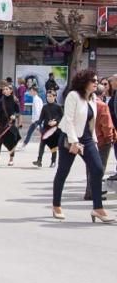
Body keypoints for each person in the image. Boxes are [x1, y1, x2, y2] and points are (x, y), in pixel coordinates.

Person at [52, 70, 112, 223]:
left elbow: (90, 123)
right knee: (63, 171)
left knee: (98, 169)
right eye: (93, 81)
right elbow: (69, 120)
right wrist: (73, 142)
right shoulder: (73, 96)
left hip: (87, 139)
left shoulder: (93, 98)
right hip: (69, 137)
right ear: (84, 82)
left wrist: (94, 143)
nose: (96, 83)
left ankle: (97, 208)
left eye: (97, 81)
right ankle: (56, 205)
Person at [87, 90, 115, 202]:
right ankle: (94, 192)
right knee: (100, 167)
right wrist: (110, 138)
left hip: (89, 140)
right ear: (102, 94)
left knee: (90, 167)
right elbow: (107, 125)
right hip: (102, 140)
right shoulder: (102, 106)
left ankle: (89, 191)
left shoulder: (87, 104)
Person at [0, 84, 20, 166]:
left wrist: (15, 116)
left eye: (7, 89)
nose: (5, 90)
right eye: (4, 89)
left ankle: (11, 159)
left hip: (10, 124)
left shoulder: (14, 100)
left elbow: (18, 112)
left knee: (11, 142)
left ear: (11, 91)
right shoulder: (1, 100)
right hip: (2, 123)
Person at [33, 90, 63, 167]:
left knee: (53, 146)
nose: (48, 98)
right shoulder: (45, 107)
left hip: (55, 130)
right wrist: (37, 124)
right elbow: (41, 118)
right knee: (42, 144)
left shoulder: (58, 107)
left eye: (50, 96)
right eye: (47, 96)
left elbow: (62, 118)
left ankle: (53, 161)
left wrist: (56, 122)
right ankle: (39, 161)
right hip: (46, 129)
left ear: (55, 97)